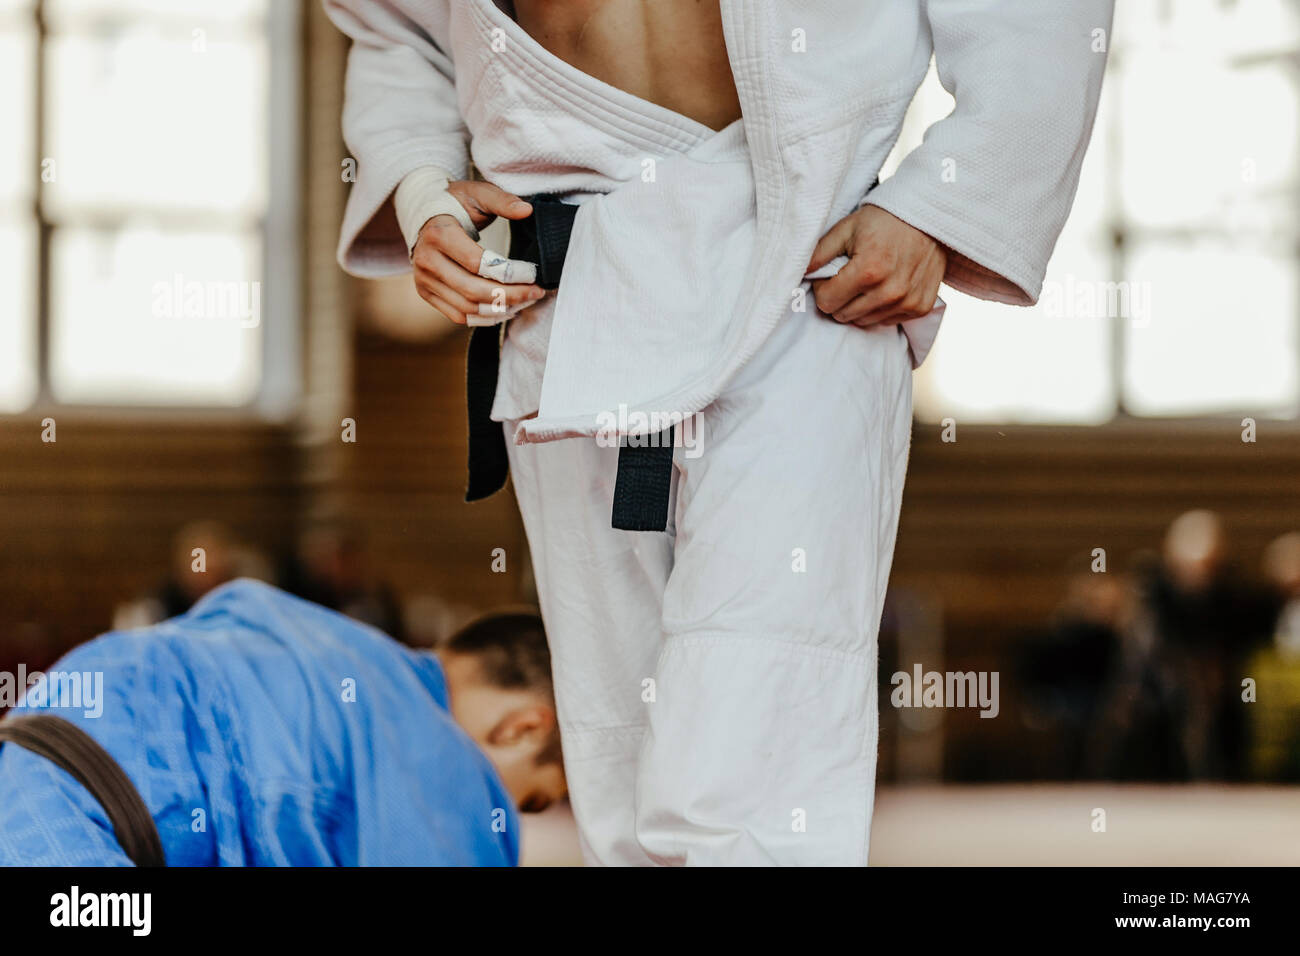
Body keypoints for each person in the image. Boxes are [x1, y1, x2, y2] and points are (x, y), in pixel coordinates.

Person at [323, 0, 1114, 864]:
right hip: (569, 290)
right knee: (613, 740)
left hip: (804, 276)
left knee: (758, 716)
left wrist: (943, 201)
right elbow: (395, 25)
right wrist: (420, 187)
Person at [0, 580, 564, 866]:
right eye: (531, 800)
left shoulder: (316, 635)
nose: (505, 813)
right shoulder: (448, 777)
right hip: (85, 829)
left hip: (32, 742)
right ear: (522, 728)